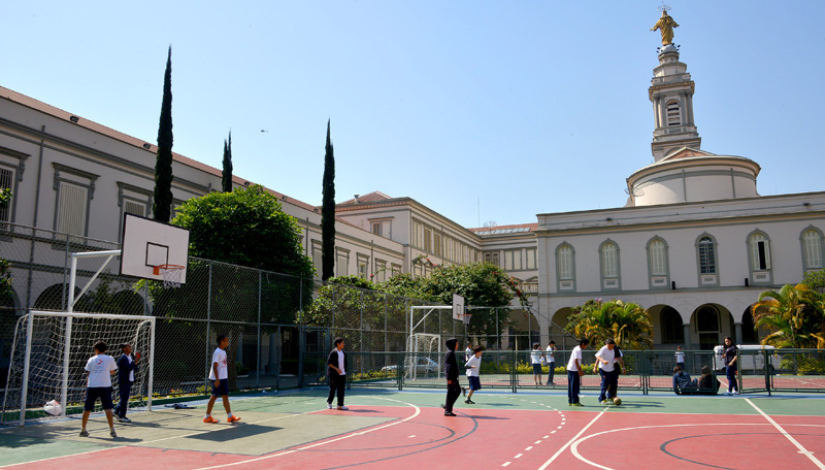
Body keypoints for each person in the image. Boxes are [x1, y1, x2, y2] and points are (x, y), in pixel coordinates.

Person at [79, 341, 118, 438]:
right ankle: (112, 429)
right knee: (108, 408)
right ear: (105, 350)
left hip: (92, 386)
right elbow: (112, 371)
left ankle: (83, 429)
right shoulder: (110, 359)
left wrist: (86, 387)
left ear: (96, 350)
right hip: (105, 386)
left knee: (87, 408)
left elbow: (88, 373)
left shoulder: (91, 359)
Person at [204, 335, 241, 423]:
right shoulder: (217, 352)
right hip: (217, 379)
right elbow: (215, 366)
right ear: (221, 341)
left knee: (225, 396)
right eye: (226, 340)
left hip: (223, 378)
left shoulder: (223, 352)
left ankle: (230, 416)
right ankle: (207, 417)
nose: (228, 342)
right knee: (214, 396)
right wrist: (217, 380)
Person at [114, 343, 140, 423]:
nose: (130, 348)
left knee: (124, 398)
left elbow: (134, 368)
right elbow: (127, 369)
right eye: (128, 347)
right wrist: (134, 363)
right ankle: (122, 416)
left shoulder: (129, 357)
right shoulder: (123, 358)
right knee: (124, 399)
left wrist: (136, 363)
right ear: (124, 349)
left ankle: (116, 411)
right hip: (124, 381)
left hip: (129, 380)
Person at [594, 339, 621, 405]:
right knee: (605, 384)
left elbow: (617, 357)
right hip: (603, 369)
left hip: (612, 369)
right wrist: (602, 361)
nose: (610, 348)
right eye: (609, 346)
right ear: (606, 345)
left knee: (613, 383)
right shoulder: (603, 349)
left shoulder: (615, 349)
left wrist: (615, 361)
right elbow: (597, 356)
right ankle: (602, 399)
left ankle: (611, 396)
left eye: (611, 346)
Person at [327, 337, 348, 410]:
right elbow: (329, 363)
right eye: (342, 343)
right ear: (338, 344)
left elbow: (345, 363)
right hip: (334, 374)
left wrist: (344, 370)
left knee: (341, 390)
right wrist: (336, 369)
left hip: (342, 374)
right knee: (333, 388)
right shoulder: (333, 352)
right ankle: (329, 402)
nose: (343, 344)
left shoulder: (344, 353)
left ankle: (340, 405)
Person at [566, 338, 588, 406]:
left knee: (571, 386)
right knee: (574, 386)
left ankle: (570, 400)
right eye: (586, 345)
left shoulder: (576, 348)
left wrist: (580, 370)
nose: (586, 347)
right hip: (574, 369)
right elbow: (576, 361)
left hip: (571, 369)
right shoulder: (578, 350)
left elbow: (577, 361)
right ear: (583, 344)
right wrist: (580, 371)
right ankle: (575, 401)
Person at [443, 337, 461, 416]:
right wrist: (449, 378)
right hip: (451, 377)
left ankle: (448, 406)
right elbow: (448, 366)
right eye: (456, 344)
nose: (457, 345)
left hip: (453, 377)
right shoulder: (450, 353)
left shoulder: (451, 352)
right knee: (452, 392)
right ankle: (447, 410)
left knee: (456, 391)